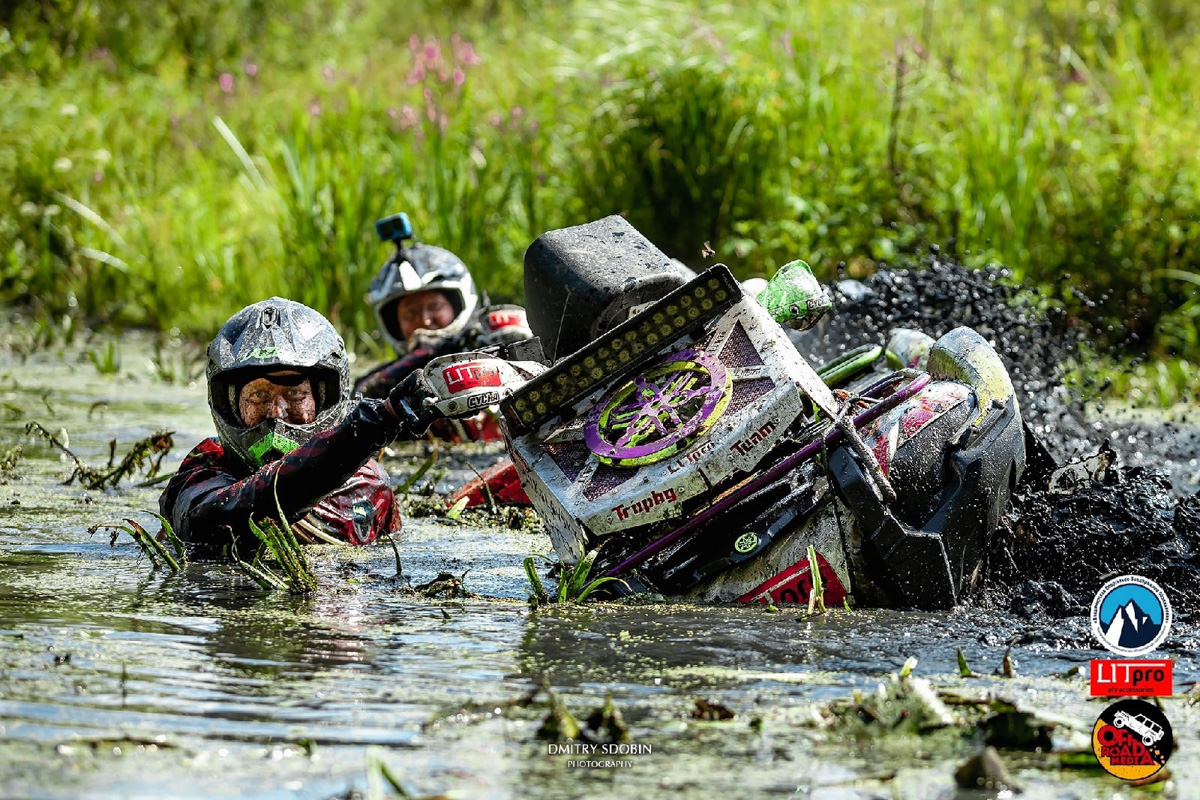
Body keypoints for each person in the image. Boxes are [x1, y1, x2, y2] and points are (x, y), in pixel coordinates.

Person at [160, 297, 432, 557]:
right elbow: (219, 518)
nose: (277, 414)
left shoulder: (367, 484)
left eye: (295, 395)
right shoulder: (202, 470)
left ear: (323, 399)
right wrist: (377, 423)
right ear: (230, 405)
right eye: (258, 395)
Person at [354, 214, 533, 441]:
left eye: (435, 306)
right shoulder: (379, 387)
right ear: (393, 323)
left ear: (458, 304)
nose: (425, 320)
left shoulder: (496, 337)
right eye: (411, 312)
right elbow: (359, 403)